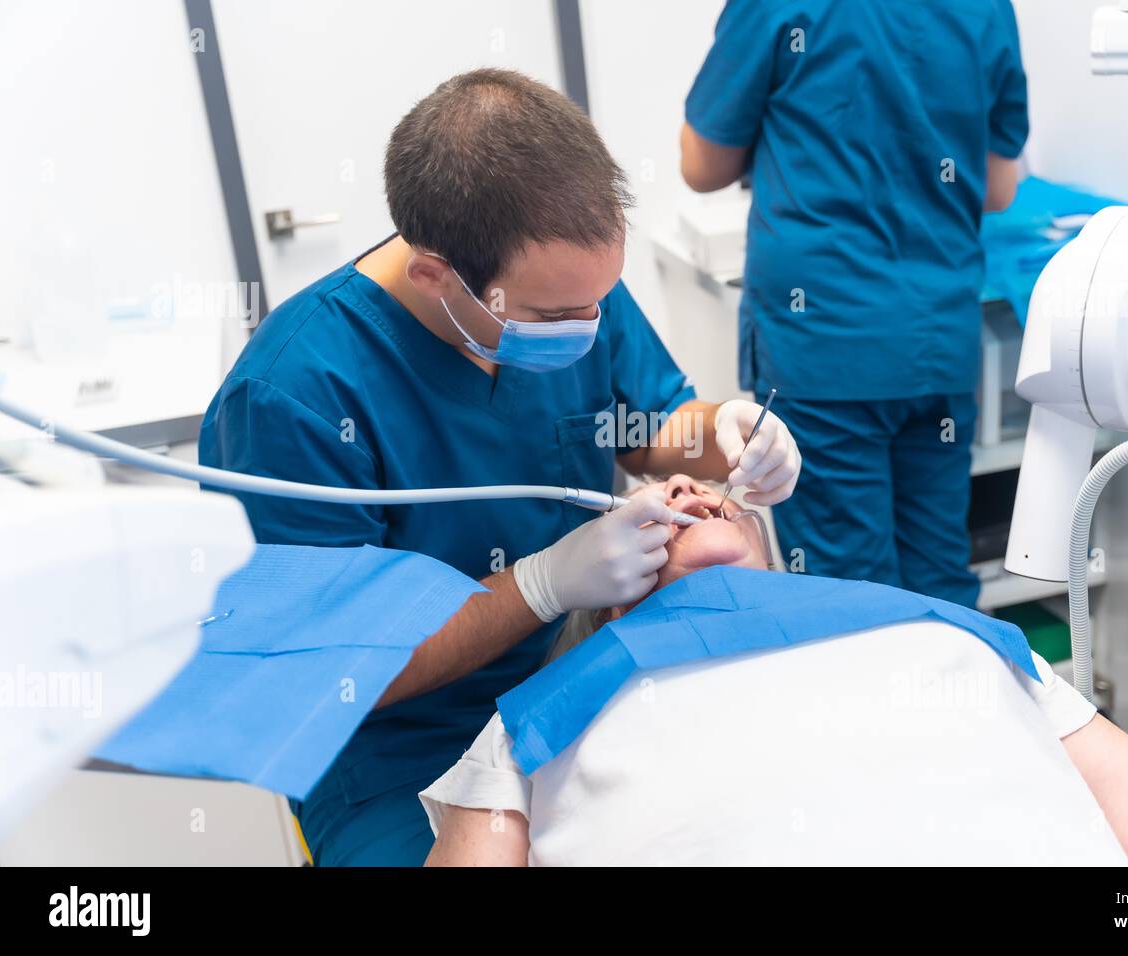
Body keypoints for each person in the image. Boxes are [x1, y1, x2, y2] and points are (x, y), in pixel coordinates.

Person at [199, 69, 802, 866]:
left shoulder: (568, 285)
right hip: (401, 748)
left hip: (582, 685)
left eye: (600, 300)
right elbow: (333, 674)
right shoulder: (293, 398)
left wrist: (725, 434)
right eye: (556, 316)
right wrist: (542, 585)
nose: (587, 325)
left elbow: (649, 425)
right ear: (435, 276)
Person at [421, 478, 1128, 866]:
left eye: (706, 489)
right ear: (607, 597)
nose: (689, 493)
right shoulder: (540, 716)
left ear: (777, 554)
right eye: (661, 504)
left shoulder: (946, 633)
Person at [680, 1, 1030, 606]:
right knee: (940, 578)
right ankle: (962, 694)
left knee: (851, 598)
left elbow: (701, 165)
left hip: (825, 347)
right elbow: (999, 188)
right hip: (934, 340)